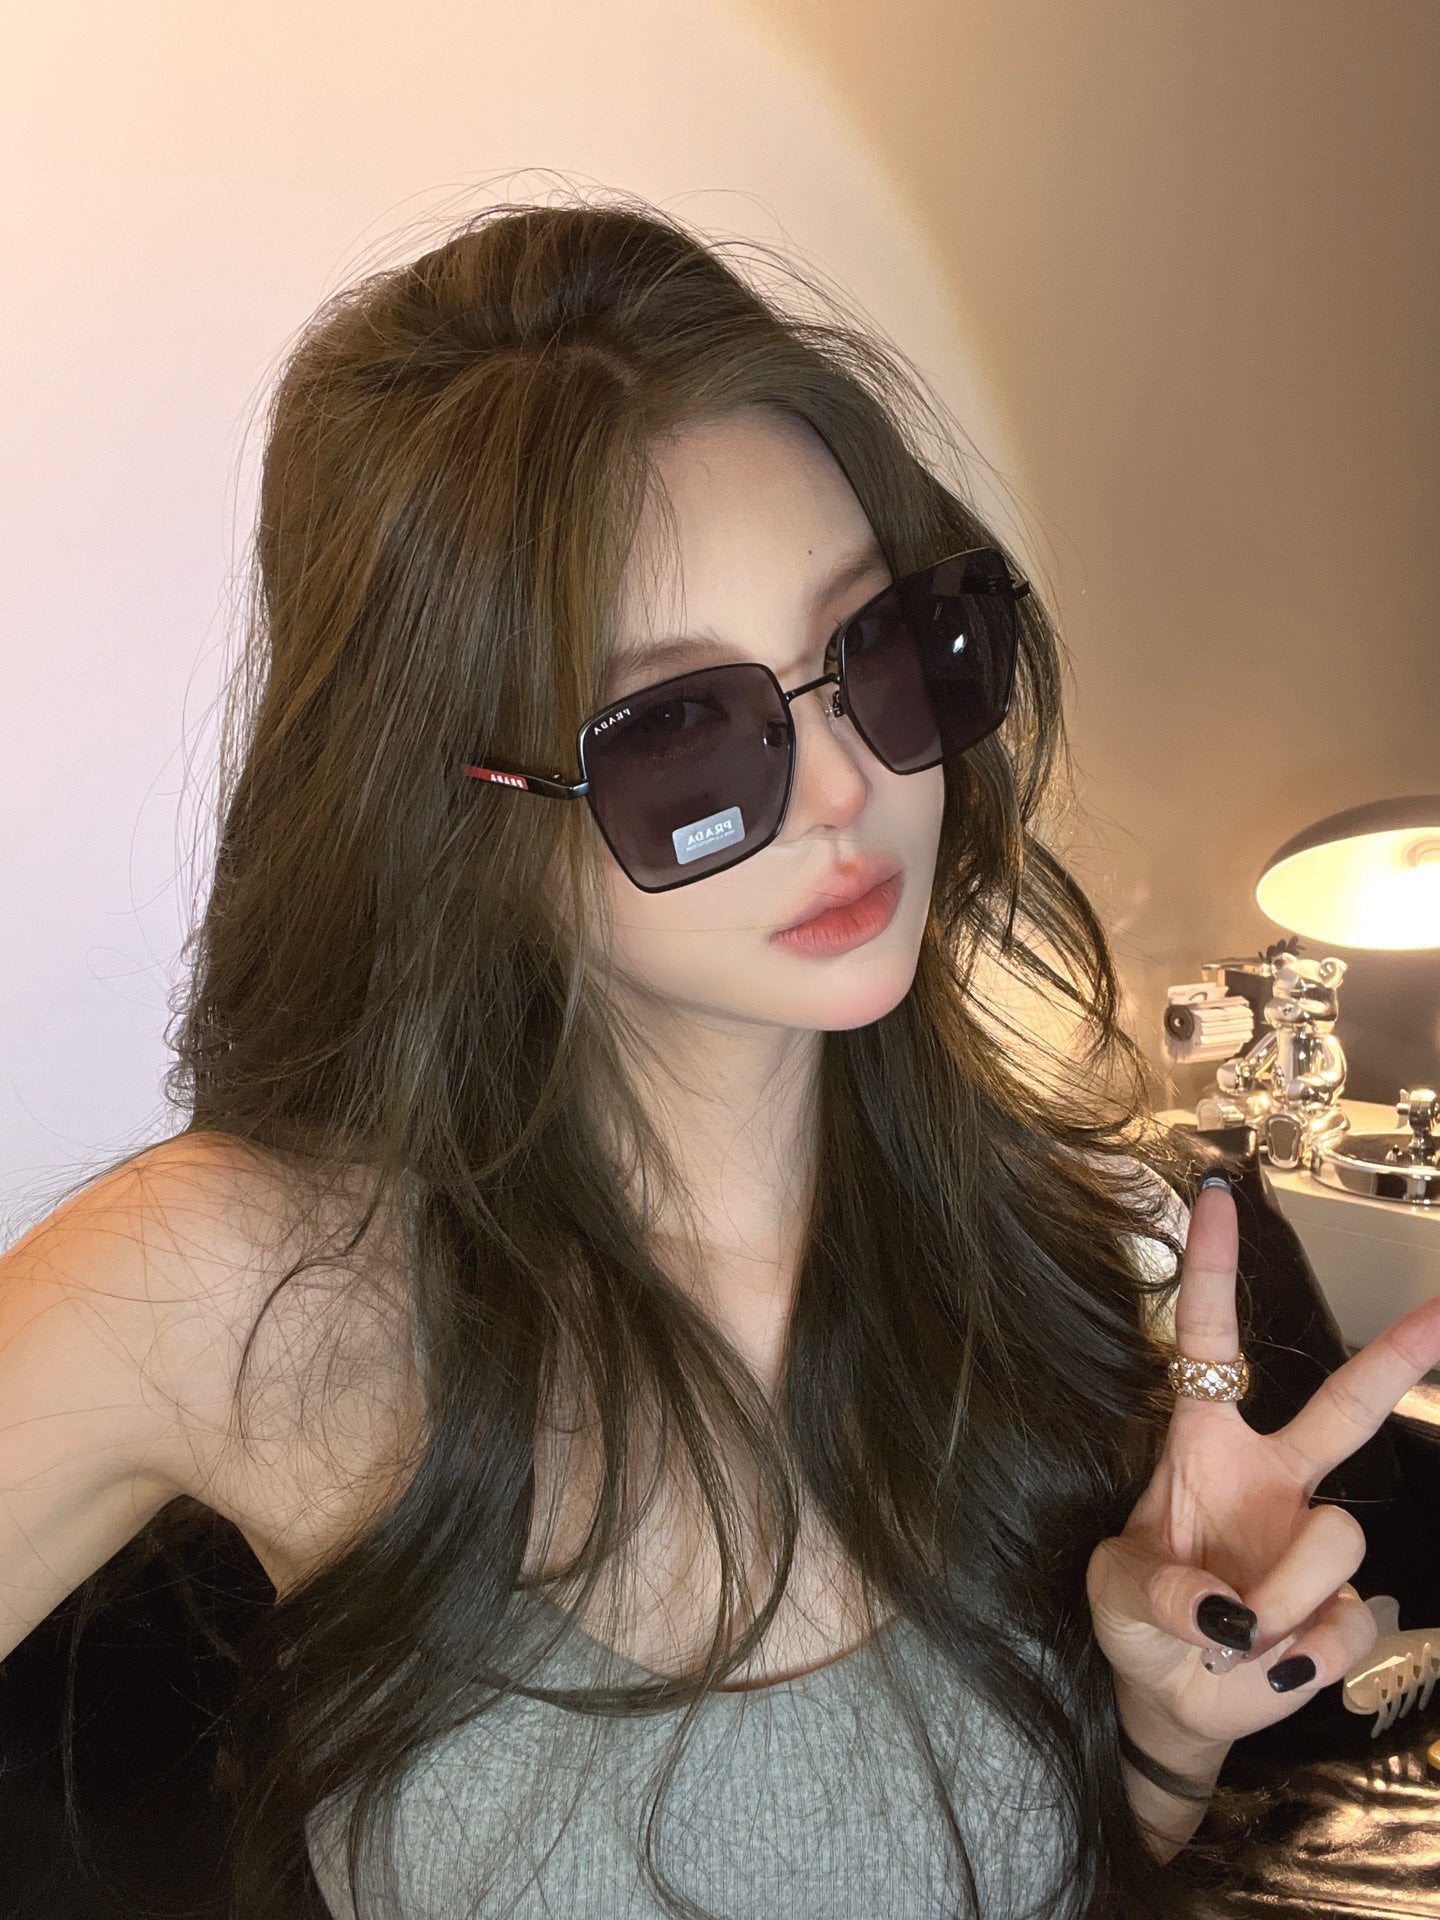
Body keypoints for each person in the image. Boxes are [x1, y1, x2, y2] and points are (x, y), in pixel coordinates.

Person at [3, 191, 1437, 1920]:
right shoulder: (247, 1285)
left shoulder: (1060, 1256)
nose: (847, 790)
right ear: (448, 811)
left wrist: (1164, 1739)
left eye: (874, 650)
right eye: (680, 732)